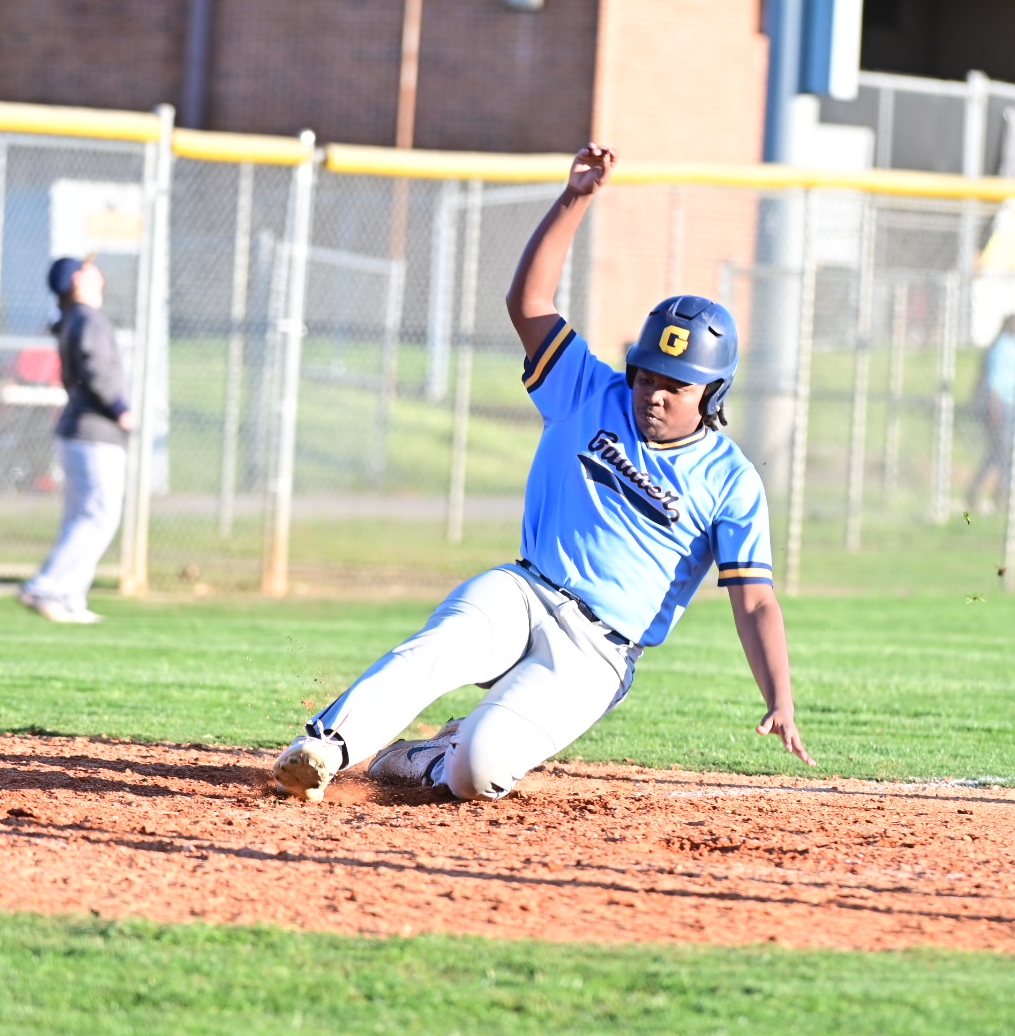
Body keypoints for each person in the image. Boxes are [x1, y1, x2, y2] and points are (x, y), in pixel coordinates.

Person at [272, 143, 814, 803]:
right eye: (647, 374)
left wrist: (780, 697)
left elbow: (754, 599)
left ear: (713, 393)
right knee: (437, 647)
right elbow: (527, 299)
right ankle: (324, 748)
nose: (655, 392)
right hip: (523, 592)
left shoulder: (732, 481)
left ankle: (435, 756)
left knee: (480, 770)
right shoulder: (590, 390)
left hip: (598, 655)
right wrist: (576, 196)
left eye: (677, 383)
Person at [18, 256, 134, 624]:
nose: (96, 269)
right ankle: (47, 587)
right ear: (77, 281)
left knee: (85, 516)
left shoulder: (75, 317)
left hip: (80, 432)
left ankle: (68, 597)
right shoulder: (87, 318)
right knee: (98, 514)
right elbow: (95, 367)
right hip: (94, 431)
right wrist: (120, 407)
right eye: (87, 267)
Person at [965, 314, 1015, 514]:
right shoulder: (1001, 347)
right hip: (999, 406)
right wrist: (995, 406)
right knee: (1003, 452)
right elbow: (995, 380)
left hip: (1010, 404)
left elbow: (1014, 379)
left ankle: (984, 491)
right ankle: (1000, 494)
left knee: (998, 453)